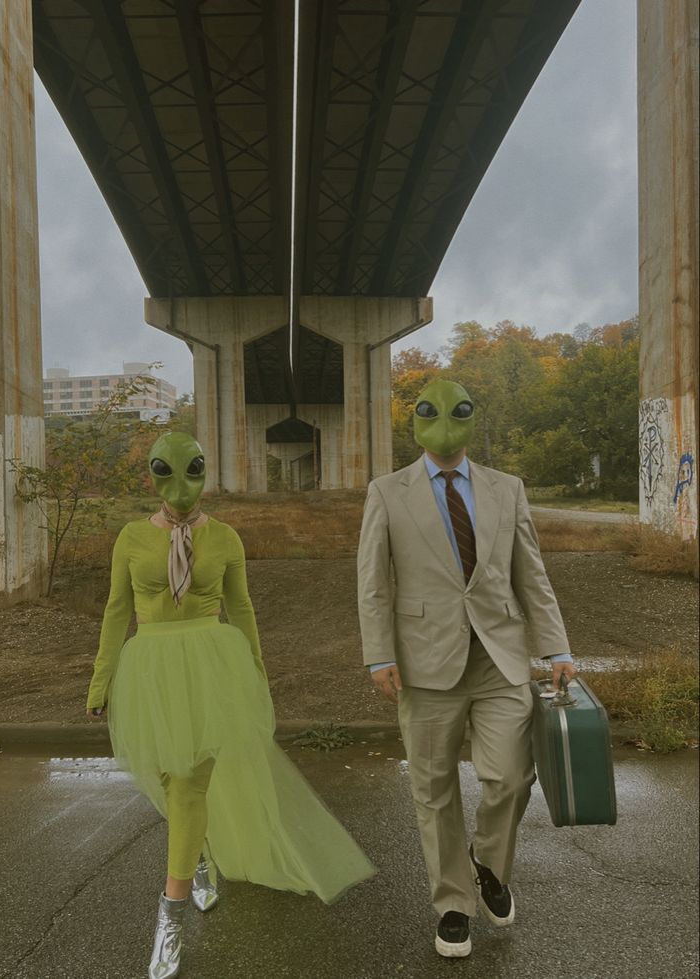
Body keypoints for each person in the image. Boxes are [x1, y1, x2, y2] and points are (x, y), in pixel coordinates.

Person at [86, 431, 375, 979]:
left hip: (213, 668)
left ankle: (168, 915)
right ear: (152, 476)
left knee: (192, 782)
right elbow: (115, 610)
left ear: (205, 472)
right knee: (172, 783)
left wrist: (257, 678)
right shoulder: (128, 537)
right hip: (150, 669)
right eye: (167, 472)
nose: (181, 485)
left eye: (193, 470)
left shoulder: (225, 538)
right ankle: (196, 858)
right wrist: (101, 681)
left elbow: (241, 610)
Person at [357, 380, 576, 958]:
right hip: (424, 663)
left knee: (509, 776)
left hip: (501, 657)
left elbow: (532, 574)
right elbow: (374, 582)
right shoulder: (387, 491)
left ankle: (488, 861)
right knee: (433, 790)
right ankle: (453, 905)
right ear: (419, 423)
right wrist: (378, 654)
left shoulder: (507, 489)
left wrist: (556, 648)